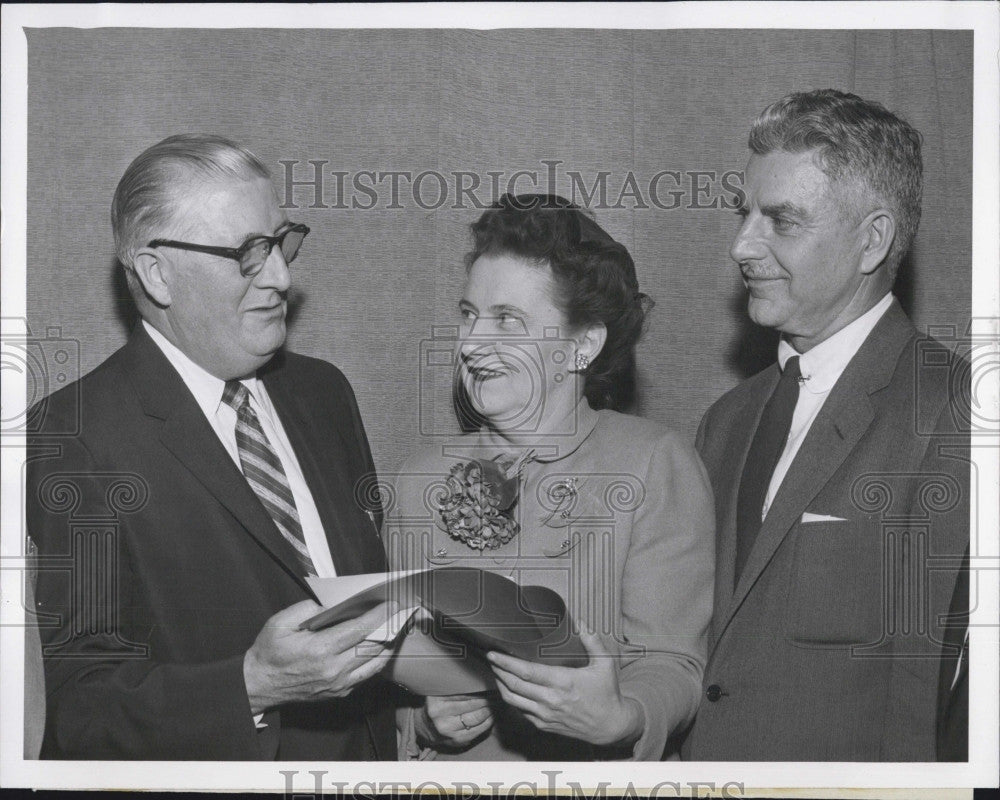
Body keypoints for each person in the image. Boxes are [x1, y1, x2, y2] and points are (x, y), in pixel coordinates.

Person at [26, 134, 396, 760]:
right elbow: (78, 708)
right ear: (156, 273)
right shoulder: (72, 438)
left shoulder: (324, 393)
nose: (282, 275)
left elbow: (363, 603)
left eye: (281, 242)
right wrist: (251, 686)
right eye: (249, 254)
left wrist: (424, 692)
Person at [682, 90, 970, 761]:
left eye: (781, 221)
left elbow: (928, 697)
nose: (741, 245)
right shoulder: (725, 421)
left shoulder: (957, 413)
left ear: (872, 239)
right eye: (744, 213)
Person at [383, 194, 715, 760]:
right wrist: (423, 720)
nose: (473, 344)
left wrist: (622, 716)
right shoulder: (419, 477)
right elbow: (383, 665)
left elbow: (673, 662)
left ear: (581, 345)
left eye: (507, 320)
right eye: (468, 315)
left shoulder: (654, 462)